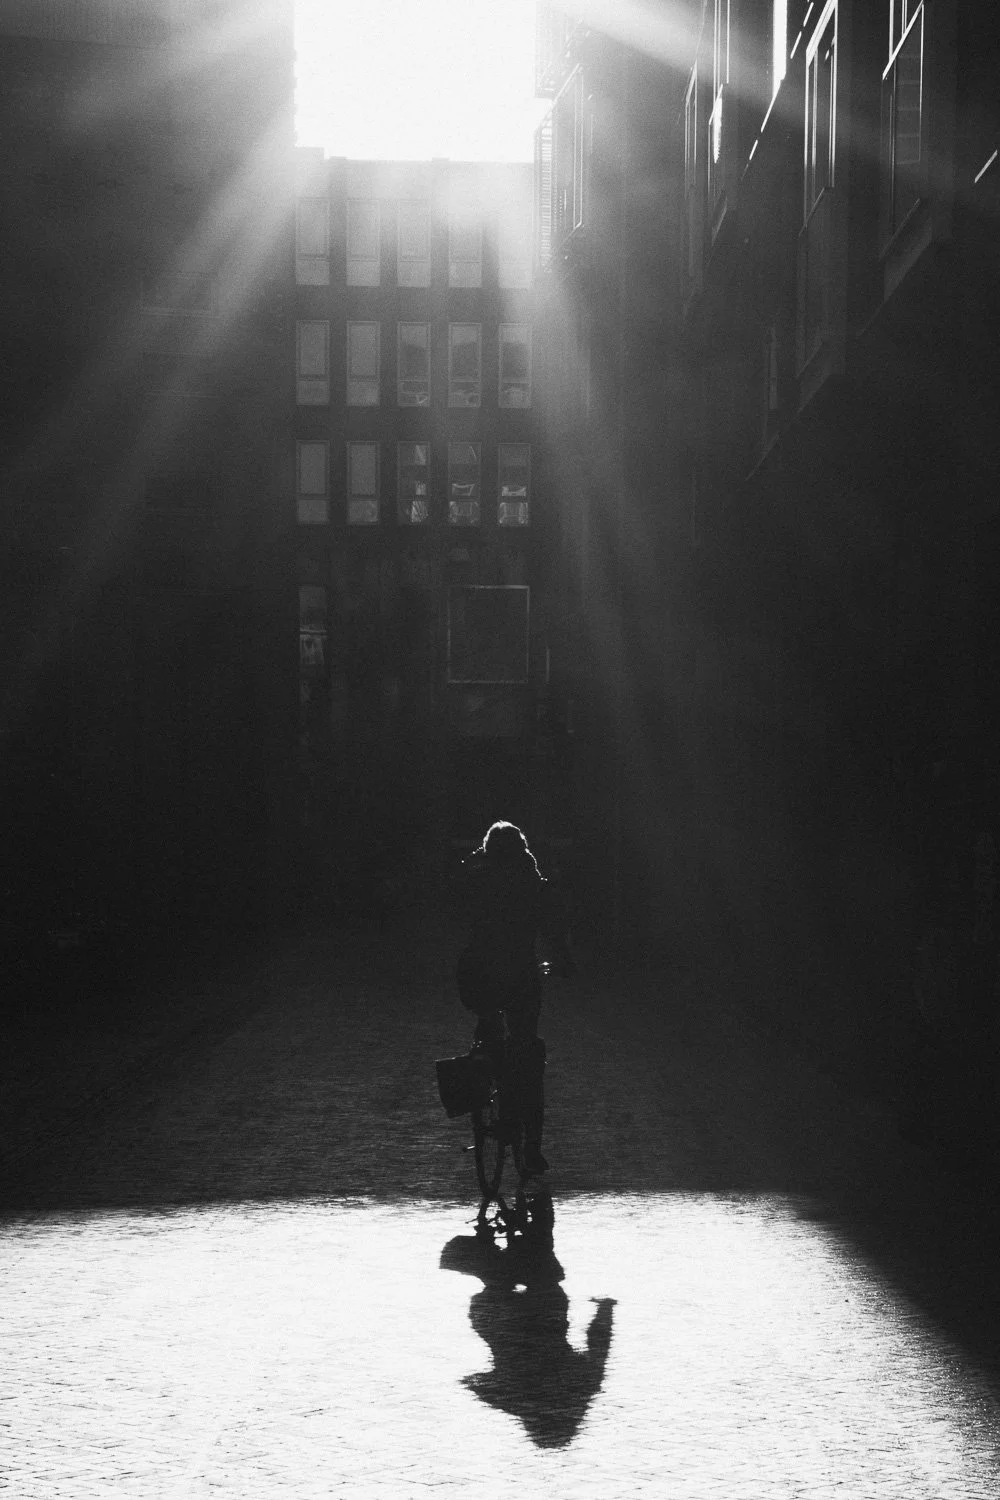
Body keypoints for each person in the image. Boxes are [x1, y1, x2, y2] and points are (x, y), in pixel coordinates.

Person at [454, 821, 574, 1174]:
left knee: (487, 1025)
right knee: (528, 1053)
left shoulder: (475, 880)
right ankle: (532, 1149)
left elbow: (451, 906)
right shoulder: (532, 884)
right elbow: (553, 929)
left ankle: (482, 1066)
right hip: (520, 975)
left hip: (477, 974)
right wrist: (564, 961)